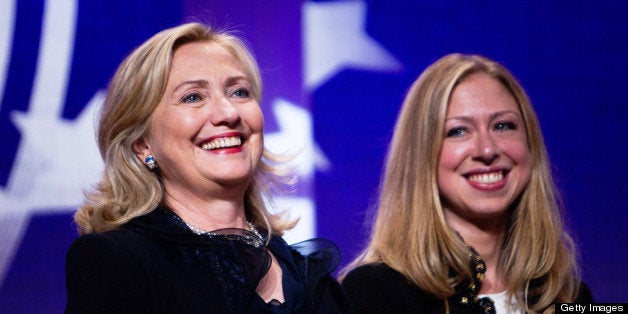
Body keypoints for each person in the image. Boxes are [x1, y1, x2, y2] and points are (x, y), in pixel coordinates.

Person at [65, 22, 351, 314]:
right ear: (142, 144)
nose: (228, 113)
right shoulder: (117, 263)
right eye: (193, 97)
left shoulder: (311, 278)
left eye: (239, 92)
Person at [340, 53, 593, 313]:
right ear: (421, 156)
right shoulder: (375, 293)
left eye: (503, 126)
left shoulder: (571, 298)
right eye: (458, 131)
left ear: (530, 146)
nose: (487, 150)